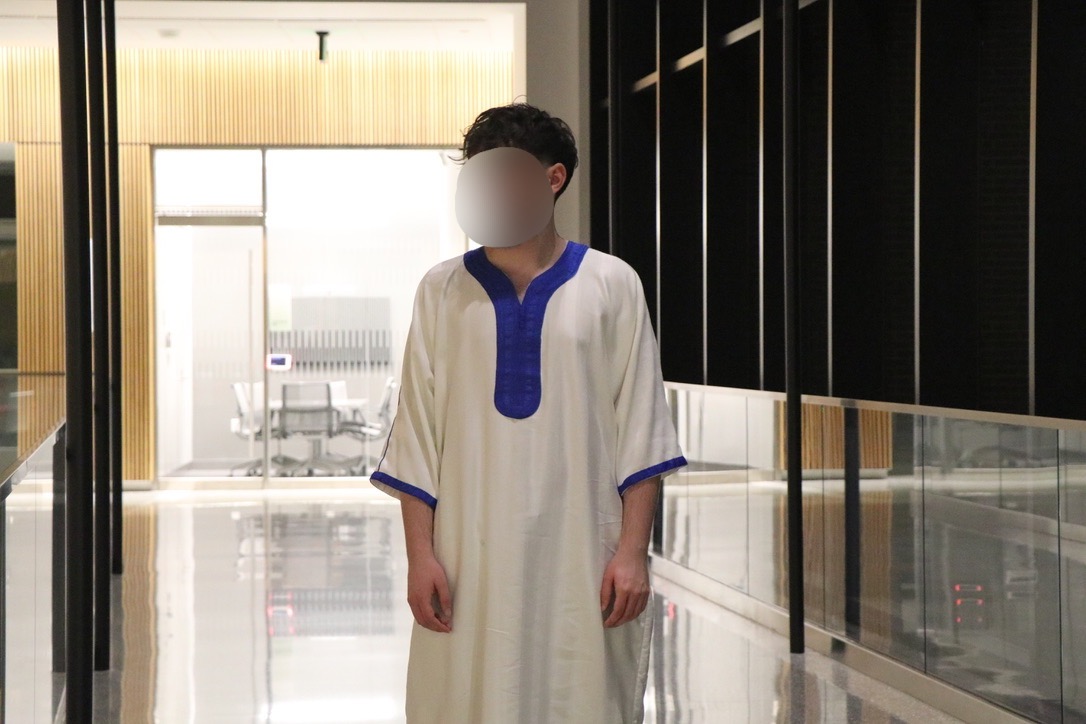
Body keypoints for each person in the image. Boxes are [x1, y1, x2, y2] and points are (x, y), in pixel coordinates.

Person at [369, 102, 687, 723]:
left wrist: (632, 552)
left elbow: (642, 427)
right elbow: (417, 435)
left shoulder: (612, 284)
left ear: (552, 179)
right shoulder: (441, 290)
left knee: (581, 694)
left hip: (583, 549)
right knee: (464, 697)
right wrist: (420, 556)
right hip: (467, 555)